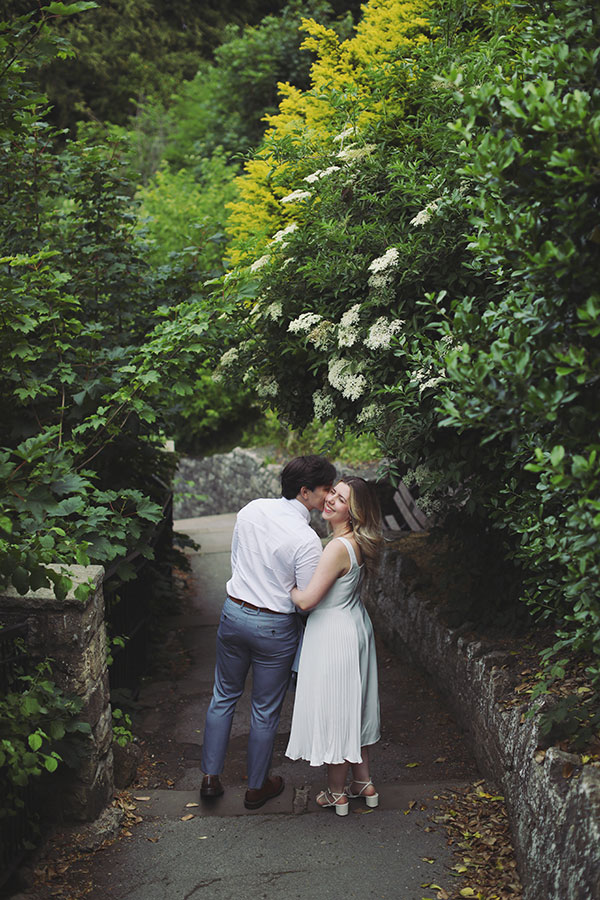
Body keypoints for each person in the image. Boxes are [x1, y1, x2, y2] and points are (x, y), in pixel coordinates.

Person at [200, 454, 336, 810]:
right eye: (325, 489)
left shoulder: (251, 510)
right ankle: (256, 787)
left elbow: (237, 560)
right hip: (274, 628)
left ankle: (210, 778)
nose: (330, 496)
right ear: (305, 492)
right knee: (264, 709)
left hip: (233, 612)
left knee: (223, 696)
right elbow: (306, 599)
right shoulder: (306, 540)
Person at [285, 476, 383, 816]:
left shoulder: (336, 548)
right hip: (354, 624)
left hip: (333, 633)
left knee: (336, 709)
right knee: (355, 706)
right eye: (332, 492)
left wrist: (289, 588)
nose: (329, 500)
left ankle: (337, 792)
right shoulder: (357, 542)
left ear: (352, 512)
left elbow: (307, 601)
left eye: (340, 499)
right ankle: (363, 782)